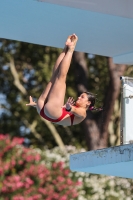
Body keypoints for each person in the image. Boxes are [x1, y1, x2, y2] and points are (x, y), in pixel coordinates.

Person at [26, 34, 97, 126]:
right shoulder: (73, 107)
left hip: (51, 111)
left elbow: (78, 112)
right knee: (55, 76)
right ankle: (66, 47)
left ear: (88, 103)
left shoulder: (83, 113)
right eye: (80, 96)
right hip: (42, 109)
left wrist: (70, 108)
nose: (78, 97)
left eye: (82, 97)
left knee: (61, 77)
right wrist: (35, 104)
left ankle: (71, 49)